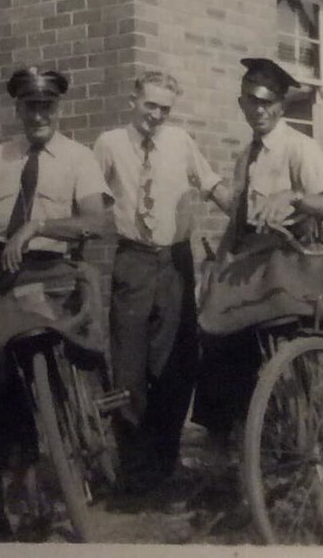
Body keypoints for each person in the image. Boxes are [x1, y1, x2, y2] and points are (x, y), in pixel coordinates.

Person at [0, 66, 112, 541]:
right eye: (30, 106)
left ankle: (88, 446)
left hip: (53, 277)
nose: (39, 114)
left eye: (47, 106)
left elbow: (95, 221)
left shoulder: (78, 159)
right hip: (1, 278)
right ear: (18, 109)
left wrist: (39, 227)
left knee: (77, 350)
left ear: (58, 109)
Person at [192, 57, 323, 460]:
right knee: (213, 332)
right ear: (241, 105)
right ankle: (224, 444)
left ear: (282, 106)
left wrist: (294, 196)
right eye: (252, 102)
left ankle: (294, 439)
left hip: (290, 265)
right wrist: (215, 269)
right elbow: (238, 223)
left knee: (254, 332)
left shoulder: (299, 148)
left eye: (269, 103)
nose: (260, 111)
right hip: (252, 267)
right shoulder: (246, 157)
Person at [93, 71, 231, 495]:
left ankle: (165, 462)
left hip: (175, 261)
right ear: (133, 100)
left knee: (174, 365)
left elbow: (212, 187)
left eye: (165, 109)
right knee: (129, 368)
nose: (156, 115)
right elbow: (89, 198)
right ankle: (133, 469)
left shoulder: (181, 142)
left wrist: (245, 214)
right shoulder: (109, 144)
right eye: (150, 105)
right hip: (133, 261)